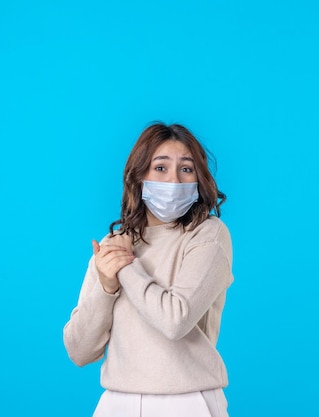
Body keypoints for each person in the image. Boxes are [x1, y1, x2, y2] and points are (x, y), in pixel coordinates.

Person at [63, 123, 233, 417]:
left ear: (199, 178)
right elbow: (79, 351)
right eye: (160, 168)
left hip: (188, 402)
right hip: (117, 402)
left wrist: (124, 268)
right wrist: (106, 287)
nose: (174, 181)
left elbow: (175, 321)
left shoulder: (208, 235)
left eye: (186, 169)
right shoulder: (112, 246)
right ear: (139, 176)